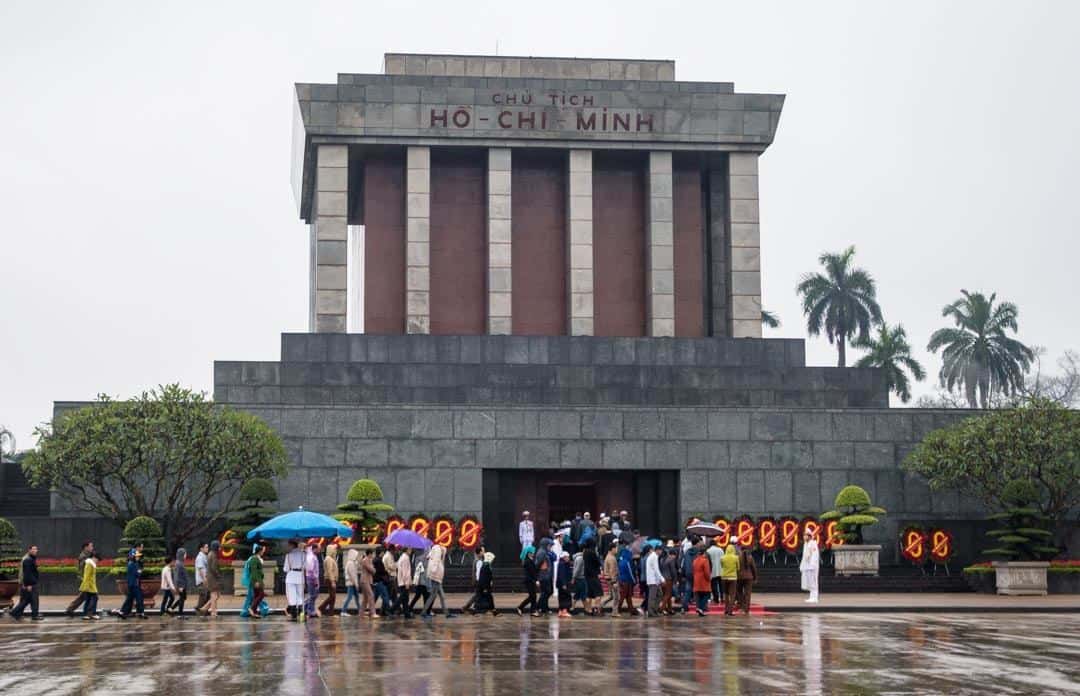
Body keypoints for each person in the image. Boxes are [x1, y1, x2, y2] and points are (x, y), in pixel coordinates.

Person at [10, 544, 43, 621]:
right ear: (29, 550)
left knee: (27, 600)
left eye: (36, 549)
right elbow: (26, 573)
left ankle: (16, 613)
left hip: (29, 583)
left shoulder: (31, 558)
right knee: (33, 600)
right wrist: (27, 584)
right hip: (30, 584)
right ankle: (32, 615)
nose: (35, 551)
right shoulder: (27, 559)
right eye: (33, 549)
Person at [64, 540, 94, 618]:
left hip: (85, 579)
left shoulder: (87, 555)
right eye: (91, 546)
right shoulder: (84, 556)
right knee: (87, 596)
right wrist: (84, 578)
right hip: (84, 579)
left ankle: (72, 610)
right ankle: (71, 609)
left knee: (86, 596)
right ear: (86, 547)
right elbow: (82, 568)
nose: (92, 548)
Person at [117, 545, 148, 619]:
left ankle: (123, 612)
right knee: (139, 598)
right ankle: (141, 613)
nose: (138, 557)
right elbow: (137, 574)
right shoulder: (133, 564)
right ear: (133, 556)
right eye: (137, 556)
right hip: (134, 584)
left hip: (132, 584)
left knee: (130, 599)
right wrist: (140, 571)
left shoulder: (132, 563)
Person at [423, 542, 449, 618]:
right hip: (435, 577)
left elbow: (431, 558)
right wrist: (434, 572)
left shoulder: (436, 550)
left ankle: (447, 613)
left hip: (437, 577)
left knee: (440, 596)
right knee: (433, 595)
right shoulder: (437, 550)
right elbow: (436, 562)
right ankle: (424, 612)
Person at [197, 541, 222, 617]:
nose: (220, 548)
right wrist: (218, 575)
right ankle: (213, 613)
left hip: (211, 577)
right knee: (214, 595)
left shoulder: (210, 554)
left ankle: (205, 608)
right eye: (219, 546)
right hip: (213, 578)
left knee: (216, 595)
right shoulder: (213, 555)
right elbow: (214, 568)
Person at [282, 540, 305, 620]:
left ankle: (294, 615)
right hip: (300, 576)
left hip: (291, 576)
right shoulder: (303, 554)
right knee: (300, 596)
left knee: (292, 596)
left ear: (292, 545)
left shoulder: (288, 555)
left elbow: (286, 569)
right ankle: (302, 613)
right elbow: (306, 566)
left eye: (289, 545)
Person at [460, 546, 485, 614]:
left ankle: (472, 608)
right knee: (478, 595)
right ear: (479, 553)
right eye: (483, 551)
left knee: (478, 595)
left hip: (477, 581)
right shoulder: (479, 561)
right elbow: (478, 573)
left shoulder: (476, 560)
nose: (484, 552)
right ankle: (469, 608)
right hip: (479, 581)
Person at [582, 538, 603, 616]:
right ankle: (597, 609)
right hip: (594, 575)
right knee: (599, 593)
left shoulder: (585, 552)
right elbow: (597, 562)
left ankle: (588, 610)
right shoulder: (592, 552)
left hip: (587, 575)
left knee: (589, 594)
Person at [516, 545, 538, 616]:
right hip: (529, 581)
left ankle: (532, 610)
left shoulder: (530, 560)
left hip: (531, 580)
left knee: (533, 596)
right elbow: (531, 572)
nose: (533, 553)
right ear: (529, 553)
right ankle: (521, 607)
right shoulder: (528, 561)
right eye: (532, 552)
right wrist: (535, 580)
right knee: (532, 596)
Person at [474, 552, 499, 616]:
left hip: (484, 585)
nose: (493, 560)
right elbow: (484, 577)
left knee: (484, 598)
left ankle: (493, 611)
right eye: (492, 559)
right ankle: (476, 612)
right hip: (484, 585)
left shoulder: (486, 565)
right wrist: (485, 587)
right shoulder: (486, 566)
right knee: (481, 598)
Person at [318, 544, 339, 617]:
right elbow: (330, 571)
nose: (335, 551)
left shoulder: (330, 558)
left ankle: (331, 613)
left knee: (333, 596)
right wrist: (332, 581)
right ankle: (321, 608)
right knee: (332, 596)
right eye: (334, 549)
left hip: (331, 579)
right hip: (330, 579)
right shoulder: (329, 559)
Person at [800, 530, 820, 603]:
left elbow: (815, 555)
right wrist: (802, 566)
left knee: (813, 582)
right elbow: (804, 556)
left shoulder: (813, 544)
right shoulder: (806, 544)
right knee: (809, 582)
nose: (804, 537)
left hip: (812, 567)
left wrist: (812, 565)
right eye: (804, 535)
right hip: (807, 566)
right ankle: (811, 597)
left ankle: (815, 598)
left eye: (806, 535)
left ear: (809, 536)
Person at [737, 544, 758, 614]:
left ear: (741, 550)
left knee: (739, 592)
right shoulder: (750, 557)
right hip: (749, 577)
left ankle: (741, 606)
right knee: (748, 594)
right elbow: (754, 569)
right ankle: (746, 609)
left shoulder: (738, 557)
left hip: (740, 577)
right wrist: (755, 578)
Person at [247, 544, 267, 619]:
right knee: (261, 594)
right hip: (256, 580)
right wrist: (257, 581)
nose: (263, 552)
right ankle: (251, 608)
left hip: (257, 579)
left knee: (256, 595)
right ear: (259, 551)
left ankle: (254, 612)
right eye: (262, 551)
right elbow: (254, 571)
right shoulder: (254, 559)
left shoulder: (255, 558)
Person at [720, 544, 740, 616]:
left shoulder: (722, 558)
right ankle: (730, 611)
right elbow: (738, 568)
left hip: (724, 577)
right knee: (732, 595)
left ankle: (726, 610)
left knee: (726, 594)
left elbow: (722, 566)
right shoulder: (736, 558)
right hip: (733, 577)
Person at [408, 550, 430, 614]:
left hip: (422, 579)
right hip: (422, 579)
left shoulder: (418, 557)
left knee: (420, 595)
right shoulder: (423, 558)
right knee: (425, 595)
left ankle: (410, 608)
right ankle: (425, 611)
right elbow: (420, 569)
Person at [393, 547, 413, 618]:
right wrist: (407, 582)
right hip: (404, 581)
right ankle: (392, 609)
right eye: (410, 549)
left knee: (405, 598)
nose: (411, 550)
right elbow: (405, 571)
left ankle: (407, 614)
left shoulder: (402, 557)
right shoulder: (406, 558)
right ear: (407, 550)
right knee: (402, 598)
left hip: (401, 580)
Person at [692, 545, 712, 617]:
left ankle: (699, 608)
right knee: (706, 595)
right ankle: (701, 608)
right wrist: (709, 578)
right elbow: (707, 572)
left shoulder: (695, 560)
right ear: (704, 553)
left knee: (699, 595)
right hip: (703, 580)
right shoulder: (705, 560)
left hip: (696, 580)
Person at [371, 550, 392, 617]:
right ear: (381, 552)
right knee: (385, 596)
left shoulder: (374, 560)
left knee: (375, 597)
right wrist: (386, 572)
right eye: (383, 552)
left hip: (375, 581)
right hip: (380, 581)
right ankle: (387, 611)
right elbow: (381, 571)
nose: (383, 553)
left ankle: (372, 610)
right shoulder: (379, 561)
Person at [616, 544, 636, 615]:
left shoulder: (620, 561)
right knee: (624, 596)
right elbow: (630, 572)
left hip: (621, 580)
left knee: (627, 596)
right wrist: (634, 581)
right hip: (627, 581)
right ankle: (617, 609)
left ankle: (631, 610)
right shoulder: (627, 562)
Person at [80, 552, 100, 620]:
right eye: (97, 559)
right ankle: (90, 614)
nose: (98, 561)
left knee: (88, 600)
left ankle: (88, 614)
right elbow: (87, 576)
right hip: (90, 586)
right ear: (94, 557)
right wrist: (86, 586)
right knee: (94, 598)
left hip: (90, 585)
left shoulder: (91, 564)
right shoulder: (89, 564)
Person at [602, 542, 620, 616]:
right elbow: (612, 571)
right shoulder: (612, 558)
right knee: (617, 597)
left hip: (608, 578)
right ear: (612, 549)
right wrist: (614, 581)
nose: (617, 550)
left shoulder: (608, 556)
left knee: (612, 596)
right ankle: (614, 612)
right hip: (612, 579)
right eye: (616, 548)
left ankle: (600, 605)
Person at [644, 543, 662, 617]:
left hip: (654, 580)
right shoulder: (654, 556)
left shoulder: (653, 556)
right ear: (658, 550)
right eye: (661, 550)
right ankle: (651, 612)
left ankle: (654, 610)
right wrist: (662, 578)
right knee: (652, 597)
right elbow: (656, 569)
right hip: (653, 580)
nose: (661, 552)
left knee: (659, 594)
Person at [341, 548, 360, 616]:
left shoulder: (351, 562)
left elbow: (357, 567)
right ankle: (343, 611)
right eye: (356, 555)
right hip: (351, 583)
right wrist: (356, 584)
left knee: (356, 597)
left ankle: (360, 610)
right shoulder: (351, 563)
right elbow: (352, 575)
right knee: (349, 597)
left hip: (352, 582)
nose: (356, 556)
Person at [304, 542, 321, 618]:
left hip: (312, 578)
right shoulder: (311, 557)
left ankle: (307, 608)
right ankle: (310, 610)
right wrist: (315, 580)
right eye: (319, 549)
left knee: (313, 595)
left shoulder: (312, 555)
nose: (320, 550)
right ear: (315, 548)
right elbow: (311, 569)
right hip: (312, 578)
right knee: (312, 595)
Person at [660, 545, 677, 615]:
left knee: (666, 595)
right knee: (667, 594)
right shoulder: (671, 560)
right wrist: (675, 579)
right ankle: (662, 608)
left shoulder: (661, 560)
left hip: (662, 579)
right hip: (669, 579)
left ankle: (670, 609)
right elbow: (673, 571)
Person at [172, 548, 189, 619]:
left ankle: (172, 608)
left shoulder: (180, 562)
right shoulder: (179, 563)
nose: (186, 555)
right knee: (182, 598)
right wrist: (179, 586)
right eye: (185, 554)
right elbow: (177, 576)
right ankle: (180, 614)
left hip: (182, 585)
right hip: (181, 585)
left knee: (183, 598)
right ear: (181, 555)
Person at [706, 539, 725, 604]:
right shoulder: (720, 550)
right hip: (721, 570)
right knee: (721, 585)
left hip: (713, 571)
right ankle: (722, 598)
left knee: (713, 586)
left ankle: (716, 599)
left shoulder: (708, 551)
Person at [555, 551, 573, 618]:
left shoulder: (564, 563)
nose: (568, 558)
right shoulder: (562, 564)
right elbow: (562, 575)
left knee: (561, 597)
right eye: (567, 557)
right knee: (566, 597)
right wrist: (564, 584)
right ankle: (564, 611)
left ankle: (560, 611)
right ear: (564, 557)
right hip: (564, 584)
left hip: (562, 584)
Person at [194, 542, 209, 613]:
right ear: (201, 548)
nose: (207, 548)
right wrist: (204, 579)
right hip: (202, 581)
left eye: (207, 547)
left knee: (204, 597)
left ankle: (201, 611)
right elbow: (200, 569)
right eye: (206, 547)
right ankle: (199, 611)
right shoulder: (200, 557)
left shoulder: (204, 556)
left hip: (204, 580)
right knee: (203, 597)